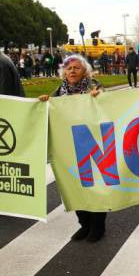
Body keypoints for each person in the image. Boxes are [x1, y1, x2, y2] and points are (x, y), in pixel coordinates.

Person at [38, 54, 104, 242]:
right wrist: (44, 102)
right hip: (69, 148)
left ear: (85, 71)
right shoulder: (59, 93)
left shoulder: (95, 87)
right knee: (74, 185)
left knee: (95, 186)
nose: (72, 71)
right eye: (68, 68)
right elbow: (48, 116)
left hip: (93, 146)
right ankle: (84, 224)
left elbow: (108, 109)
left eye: (76, 68)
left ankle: (98, 226)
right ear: (63, 73)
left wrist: (98, 97)